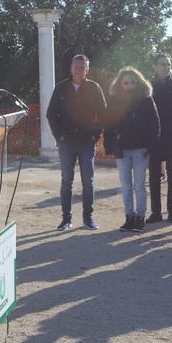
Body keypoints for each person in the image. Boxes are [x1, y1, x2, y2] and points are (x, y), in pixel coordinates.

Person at [45, 54, 107, 231]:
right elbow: (51, 114)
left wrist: (95, 136)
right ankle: (66, 219)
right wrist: (60, 137)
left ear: (87, 69)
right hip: (67, 143)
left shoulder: (94, 88)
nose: (79, 70)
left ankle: (88, 219)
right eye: (76, 67)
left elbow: (103, 113)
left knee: (88, 181)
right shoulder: (61, 88)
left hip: (87, 142)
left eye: (82, 67)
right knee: (67, 181)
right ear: (71, 69)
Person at [104, 66, 161, 232]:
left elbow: (155, 124)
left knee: (139, 185)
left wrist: (150, 146)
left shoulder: (146, 99)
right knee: (126, 186)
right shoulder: (114, 101)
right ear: (120, 84)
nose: (129, 85)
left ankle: (140, 217)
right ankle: (129, 217)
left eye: (133, 82)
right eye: (126, 82)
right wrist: (110, 144)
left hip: (140, 149)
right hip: (121, 149)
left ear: (139, 82)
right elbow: (109, 124)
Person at [148, 55, 172, 224]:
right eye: (162, 64)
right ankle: (156, 212)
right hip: (155, 136)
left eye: (168, 64)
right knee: (154, 176)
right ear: (155, 66)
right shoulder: (149, 86)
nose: (166, 67)